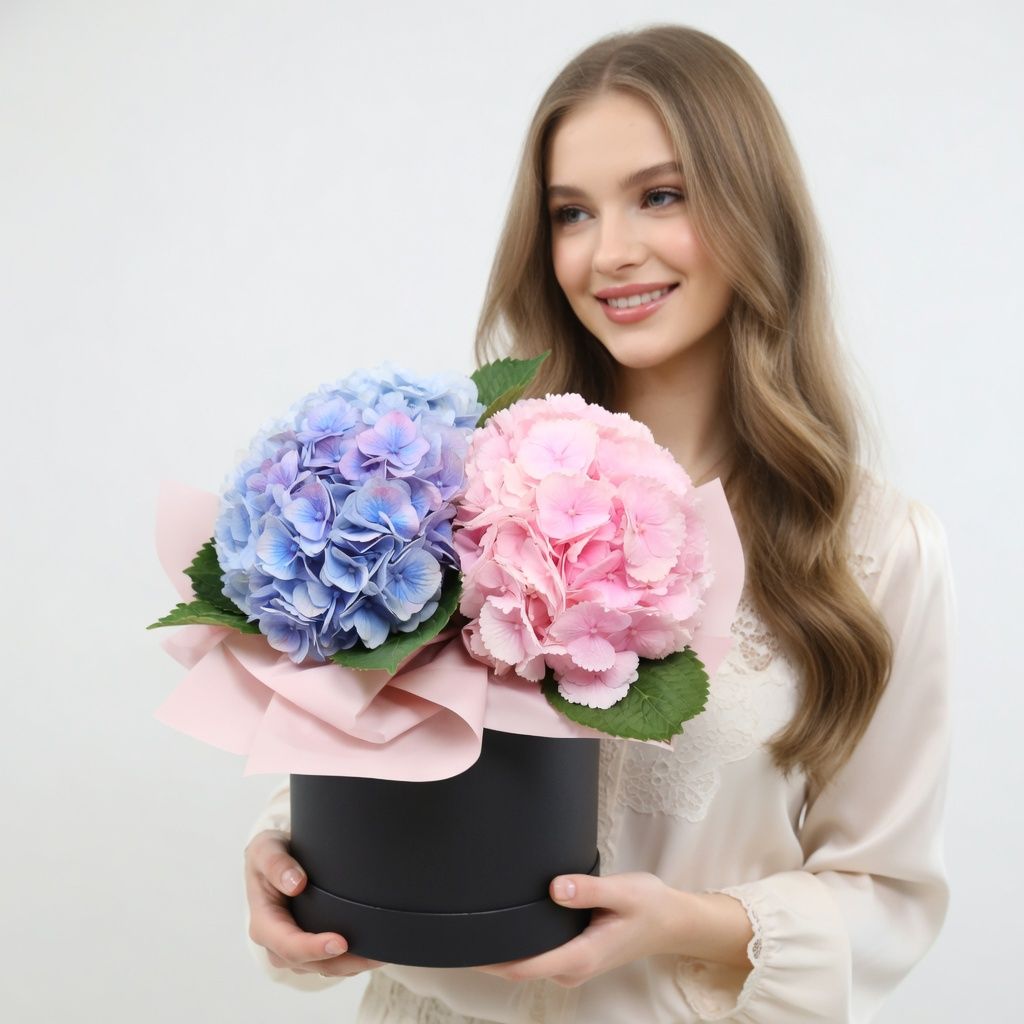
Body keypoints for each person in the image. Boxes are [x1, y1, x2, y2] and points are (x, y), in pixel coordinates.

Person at [243, 23, 956, 1023]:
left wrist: (683, 923)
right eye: (571, 213)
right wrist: (291, 861)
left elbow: (887, 898)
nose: (610, 253)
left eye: (661, 196)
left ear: (754, 208)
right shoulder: (454, 485)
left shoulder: (873, 551)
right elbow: (380, 751)